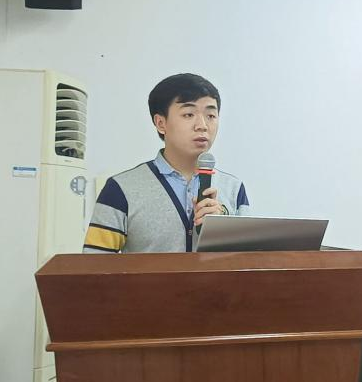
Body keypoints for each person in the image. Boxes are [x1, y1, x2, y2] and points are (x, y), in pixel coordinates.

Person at [83, 73, 249, 253]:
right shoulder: (121, 188)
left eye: (211, 115)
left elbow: (249, 261)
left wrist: (222, 231)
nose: (202, 125)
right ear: (161, 123)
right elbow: (94, 263)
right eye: (188, 114)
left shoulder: (233, 189)